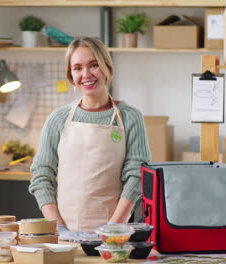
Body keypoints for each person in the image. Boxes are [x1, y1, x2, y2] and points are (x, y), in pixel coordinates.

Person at [28, 37, 151, 240]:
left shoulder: (130, 117)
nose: (86, 75)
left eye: (94, 65)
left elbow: (136, 177)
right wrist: (59, 228)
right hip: (66, 235)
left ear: (107, 68)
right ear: (71, 75)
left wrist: (113, 228)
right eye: (77, 68)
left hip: (115, 236)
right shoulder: (58, 119)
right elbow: (41, 176)